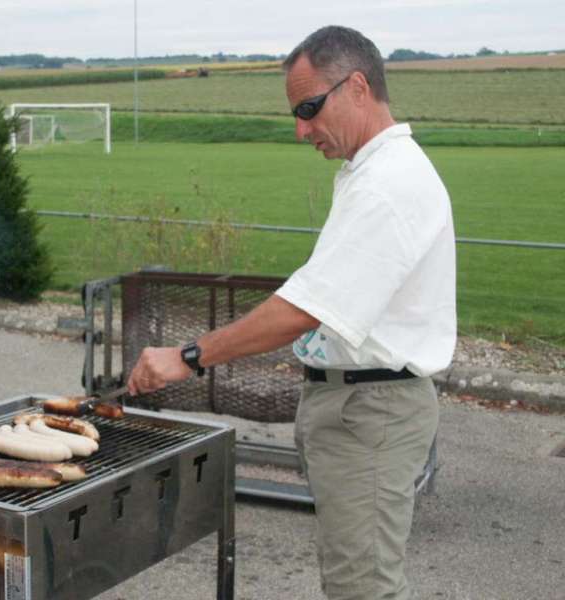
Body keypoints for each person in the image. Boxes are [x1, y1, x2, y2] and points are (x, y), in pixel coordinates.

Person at [127, 25, 456, 600]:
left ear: (357, 86)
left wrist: (188, 356)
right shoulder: (370, 173)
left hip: (370, 413)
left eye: (309, 108)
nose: (302, 129)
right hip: (356, 405)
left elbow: (302, 309)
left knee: (364, 588)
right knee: (355, 576)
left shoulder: (388, 185)